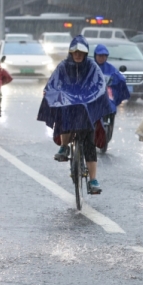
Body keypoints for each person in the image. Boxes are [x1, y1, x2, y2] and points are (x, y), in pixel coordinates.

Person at [37, 35, 112, 194]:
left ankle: (93, 180)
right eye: (75, 52)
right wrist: (50, 92)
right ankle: (64, 147)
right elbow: (53, 83)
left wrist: (90, 97)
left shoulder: (92, 66)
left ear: (86, 54)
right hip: (69, 105)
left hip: (87, 108)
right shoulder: (63, 66)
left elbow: (100, 85)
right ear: (71, 52)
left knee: (89, 145)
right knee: (63, 115)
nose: (78, 55)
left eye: (81, 52)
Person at [94, 44, 131, 113]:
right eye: (99, 56)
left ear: (106, 57)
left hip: (106, 93)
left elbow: (120, 79)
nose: (101, 58)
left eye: (104, 56)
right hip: (92, 93)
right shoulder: (91, 67)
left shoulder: (110, 69)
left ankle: (109, 121)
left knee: (110, 105)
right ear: (95, 55)